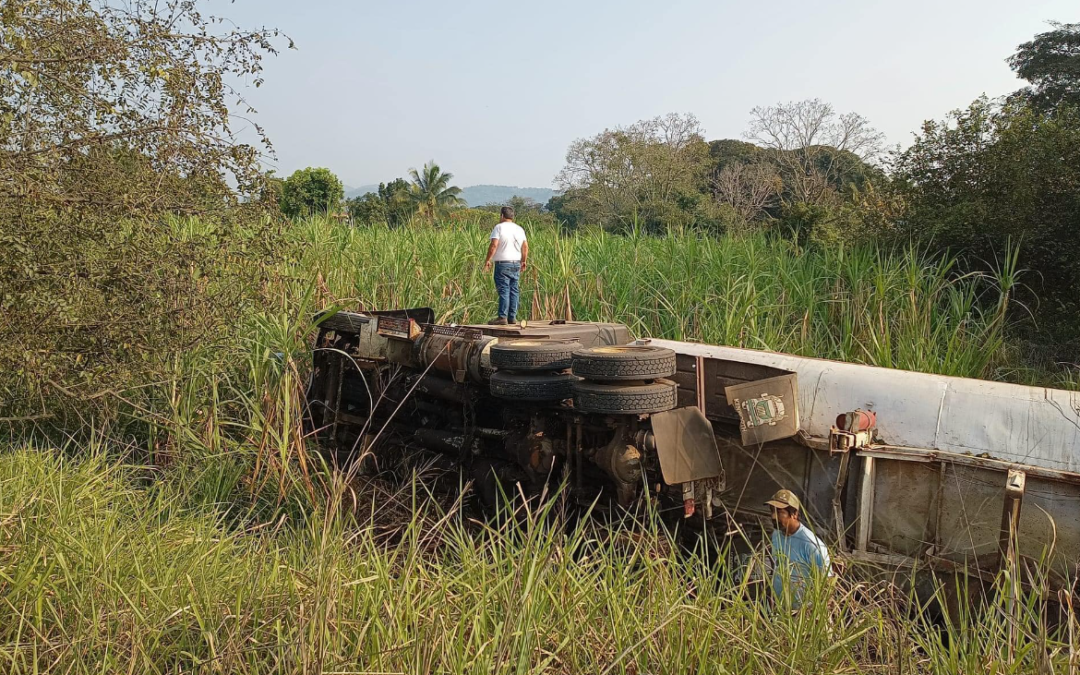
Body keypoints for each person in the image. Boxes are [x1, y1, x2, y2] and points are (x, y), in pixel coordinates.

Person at [765, 488, 832, 609]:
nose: (773, 516)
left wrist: (809, 613)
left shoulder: (811, 544)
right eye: (772, 511)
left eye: (780, 512)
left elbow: (827, 584)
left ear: (794, 514)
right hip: (778, 610)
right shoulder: (776, 535)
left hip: (801, 614)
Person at [482, 206, 528, 325]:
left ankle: (502, 317)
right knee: (514, 290)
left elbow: (494, 245)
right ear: (512, 216)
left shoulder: (499, 228)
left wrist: (488, 260)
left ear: (502, 215)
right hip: (516, 263)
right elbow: (525, 247)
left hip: (503, 264)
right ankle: (512, 317)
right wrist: (523, 261)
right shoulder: (519, 229)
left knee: (504, 290)